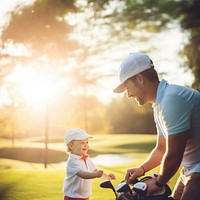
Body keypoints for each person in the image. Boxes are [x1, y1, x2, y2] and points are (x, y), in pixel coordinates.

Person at [113, 52, 200, 200]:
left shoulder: (172, 99)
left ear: (140, 79)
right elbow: (162, 148)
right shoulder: (158, 105)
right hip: (189, 169)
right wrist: (141, 169)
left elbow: (173, 155)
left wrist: (159, 183)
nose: (128, 95)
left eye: (128, 88)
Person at [63, 128, 115, 200]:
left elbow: (94, 171)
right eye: (82, 143)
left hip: (84, 197)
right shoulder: (72, 161)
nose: (86, 145)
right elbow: (82, 174)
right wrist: (96, 175)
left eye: (87, 142)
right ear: (71, 146)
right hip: (73, 197)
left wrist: (107, 176)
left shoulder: (86, 158)